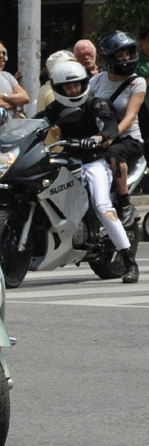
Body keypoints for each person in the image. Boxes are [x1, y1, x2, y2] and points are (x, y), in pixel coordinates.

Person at [36, 60, 138, 282]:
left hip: (94, 161)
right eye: (68, 87)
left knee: (102, 205)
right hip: (66, 160)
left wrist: (98, 138)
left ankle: (129, 261)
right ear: (59, 88)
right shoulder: (55, 109)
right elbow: (37, 124)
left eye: (77, 85)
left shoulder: (97, 104)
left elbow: (110, 127)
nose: (74, 90)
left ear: (84, 84)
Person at [89, 31, 143, 220]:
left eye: (127, 53)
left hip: (128, 139)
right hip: (100, 137)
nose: (125, 58)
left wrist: (109, 137)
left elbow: (130, 117)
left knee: (115, 154)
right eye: (120, 55)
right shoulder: (95, 81)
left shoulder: (137, 82)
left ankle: (124, 201)